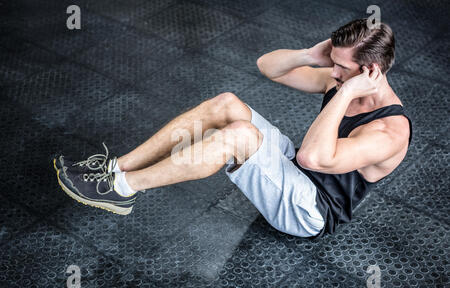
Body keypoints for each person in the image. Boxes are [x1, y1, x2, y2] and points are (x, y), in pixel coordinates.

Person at [53, 18, 412, 238]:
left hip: (310, 211)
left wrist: (346, 90)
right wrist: (309, 55)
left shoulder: (388, 132)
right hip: (296, 171)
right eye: (333, 64)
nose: (333, 74)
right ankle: (117, 168)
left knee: (240, 136)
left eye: (342, 69)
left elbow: (313, 156)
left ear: (371, 72)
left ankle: (120, 189)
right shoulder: (340, 79)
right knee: (227, 103)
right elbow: (268, 67)